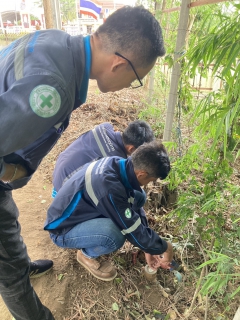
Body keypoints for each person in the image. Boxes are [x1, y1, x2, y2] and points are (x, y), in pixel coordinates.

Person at [0, 5, 165, 320]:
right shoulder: (54, 86)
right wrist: (9, 171)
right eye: (135, 79)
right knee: (8, 274)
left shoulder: (57, 44)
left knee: (9, 225)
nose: (129, 86)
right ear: (119, 63)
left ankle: (19, 261)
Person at [45, 141, 173, 281]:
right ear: (141, 174)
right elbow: (130, 229)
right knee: (115, 235)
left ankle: (92, 239)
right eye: (151, 180)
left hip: (82, 210)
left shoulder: (118, 163)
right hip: (62, 228)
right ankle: (86, 255)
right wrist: (164, 247)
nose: (149, 184)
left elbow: (133, 209)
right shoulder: (109, 188)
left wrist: (148, 246)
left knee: (139, 195)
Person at [53, 120, 155, 192]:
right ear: (131, 149)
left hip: (60, 169)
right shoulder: (115, 160)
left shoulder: (105, 127)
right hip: (64, 187)